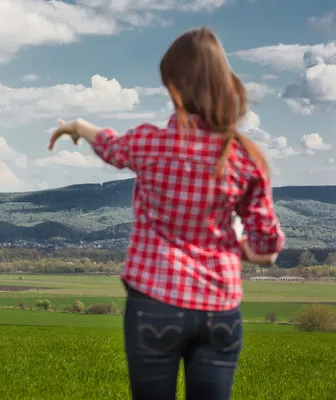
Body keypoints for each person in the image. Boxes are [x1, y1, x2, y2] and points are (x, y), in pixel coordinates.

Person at [47, 27, 284, 400]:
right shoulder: (245, 158)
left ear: (173, 86)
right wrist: (234, 246)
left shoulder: (150, 143)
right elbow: (267, 248)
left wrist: (78, 126)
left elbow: (110, 146)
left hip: (154, 302)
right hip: (218, 308)